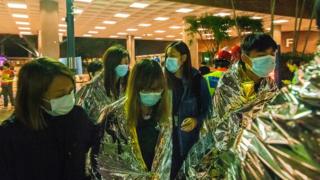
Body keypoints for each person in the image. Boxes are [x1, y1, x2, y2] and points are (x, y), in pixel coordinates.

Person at [177, 33, 279, 178]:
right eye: (262, 54)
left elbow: (272, 116)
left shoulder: (269, 84)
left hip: (251, 158)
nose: (269, 59)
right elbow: (228, 126)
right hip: (215, 158)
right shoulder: (230, 82)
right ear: (245, 57)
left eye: (272, 54)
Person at [0, 58, 102, 180]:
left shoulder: (77, 117)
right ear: (35, 96)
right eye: (60, 94)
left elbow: (97, 143)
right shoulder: (10, 135)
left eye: (71, 91)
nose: (68, 97)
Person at [97, 59, 172, 179]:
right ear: (135, 88)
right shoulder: (113, 117)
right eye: (147, 89)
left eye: (158, 89)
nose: (153, 94)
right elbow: (105, 163)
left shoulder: (163, 118)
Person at [164, 41, 211, 179]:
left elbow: (209, 111)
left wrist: (196, 121)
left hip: (189, 144)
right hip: (167, 144)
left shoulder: (197, 81)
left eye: (172, 55)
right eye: (167, 56)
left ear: (183, 58)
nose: (168, 60)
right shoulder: (163, 81)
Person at [76, 45, 130, 123]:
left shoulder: (123, 83)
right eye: (123, 64)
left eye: (127, 64)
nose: (126, 67)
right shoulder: (93, 87)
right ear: (112, 64)